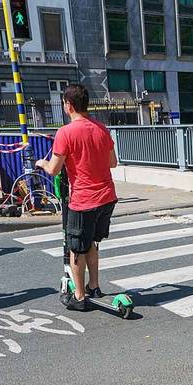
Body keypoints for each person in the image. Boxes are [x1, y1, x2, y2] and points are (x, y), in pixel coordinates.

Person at [35, 84, 118, 312]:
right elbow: (113, 162)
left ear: (69, 105)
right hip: (107, 197)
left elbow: (53, 169)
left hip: (84, 200)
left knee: (76, 248)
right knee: (91, 242)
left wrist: (41, 163)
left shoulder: (66, 132)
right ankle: (94, 285)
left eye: (64, 103)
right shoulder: (102, 129)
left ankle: (79, 296)